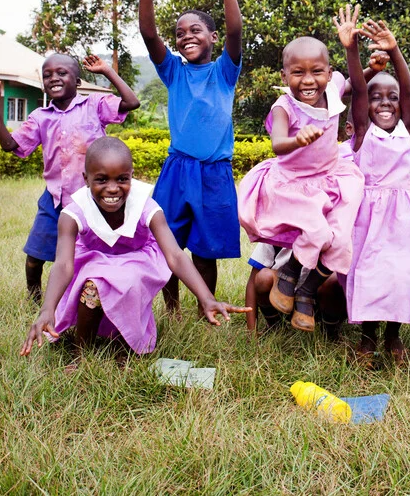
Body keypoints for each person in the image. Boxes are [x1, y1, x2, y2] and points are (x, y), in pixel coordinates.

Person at [19, 137, 249, 367]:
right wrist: (47, 309)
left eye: (122, 179)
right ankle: (82, 352)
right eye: (101, 180)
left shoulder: (146, 206)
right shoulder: (73, 213)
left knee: (127, 280)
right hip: (93, 261)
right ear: (86, 179)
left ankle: (125, 349)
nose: (112, 188)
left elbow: (175, 255)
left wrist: (206, 298)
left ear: (131, 176)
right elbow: (63, 265)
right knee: (93, 286)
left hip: (137, 260)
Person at [0, 54, 140, 302]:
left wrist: (106, 71)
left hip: (92, 200)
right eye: (48, 75)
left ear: (78, 81)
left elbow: (131, 102)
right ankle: (35, 300)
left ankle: (92, 298)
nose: (54, 78)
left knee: (89, 256)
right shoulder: (41, 117)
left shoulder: (94, 105)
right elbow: (10, 145)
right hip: (55, 200)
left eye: (61, 73)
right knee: (34, 257)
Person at [134, 0, 242, 317]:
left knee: (206, 249)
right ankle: (173, 308)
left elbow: (236, 29)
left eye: (196, 30)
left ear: (212, 38)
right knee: (168, 244)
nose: (186, 37)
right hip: (177, 171)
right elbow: (149, 36)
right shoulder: (174, 71)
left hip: (214, 174)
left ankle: (204, 307)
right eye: (180, 33)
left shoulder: (225, 71)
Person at [237, 36, 365, 332]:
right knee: (317, 231)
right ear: (284, 76)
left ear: (329, 73)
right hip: (294, 183)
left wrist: (352, 49)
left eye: (317, 71)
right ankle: (290, 272)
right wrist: (297, 139)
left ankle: (306, 291)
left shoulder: (333, 90)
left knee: (341, 239)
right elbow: (277, 143)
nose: (308, 80)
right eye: (298, 73)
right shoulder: (285, 105)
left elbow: (358, 84)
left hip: (330, 177)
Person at [335, 5, 410, 364]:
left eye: (390, 98)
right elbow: (359, 90)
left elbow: (408, 90)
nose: (385, 102)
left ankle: (394, 335)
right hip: (370, 217)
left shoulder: (407, 132)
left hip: (406, 218)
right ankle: (367, 338)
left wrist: (394, 52)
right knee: (369, 275)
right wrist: (352, 49)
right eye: (377, 97)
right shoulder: (362, 133)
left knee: (400, 276)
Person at [243, 243, 348, 339]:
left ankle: (330, 332)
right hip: (281, 301)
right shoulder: (275, 230)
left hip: (321, 304)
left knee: (336, 279)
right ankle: (275, 326)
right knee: (263, 277)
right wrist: (251, 332)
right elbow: (252, 283)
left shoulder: (334, 232)